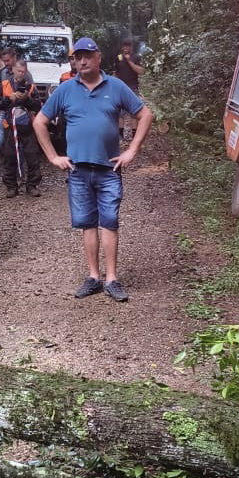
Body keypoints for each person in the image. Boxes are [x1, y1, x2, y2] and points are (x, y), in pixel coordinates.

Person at [33, 37, 153, 302]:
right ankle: (93, 277)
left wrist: (132, 150)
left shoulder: (116, 86)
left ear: (98, 57)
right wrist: (53, 157)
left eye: (88, 56)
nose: (83, 61)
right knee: (87, 224)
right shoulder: (66, 89)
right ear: (74, 61)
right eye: (78, 57)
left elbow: (145, 115)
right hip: (78, 170)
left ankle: (112, 279)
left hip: (108, 169)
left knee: (109, 222)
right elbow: (39, 121)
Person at [0, 60, 42, 198]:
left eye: (23, 71)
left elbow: (38, 106)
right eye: (19, 71)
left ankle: (32, 185)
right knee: (9, 156)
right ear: (13, 70)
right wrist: (9, 99)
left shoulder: (30, 87)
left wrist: (27, 99)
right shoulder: (4, 85)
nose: (21, 74)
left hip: (27, 126)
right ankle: (11, 187)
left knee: (33, 156)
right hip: (10, 126)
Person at [114, 38, 144, 141]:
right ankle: (120, 135)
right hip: (121, 88)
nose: (125, 48)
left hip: (133, 88)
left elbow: (141, 71)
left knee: (134, 113)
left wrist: (129, 61)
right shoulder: (118, 58)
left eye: (127, 46)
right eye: (124, 46)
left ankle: (134, 135)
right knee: (120, 113)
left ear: (131, 47)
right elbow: (116, 73)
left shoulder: (136, 57)